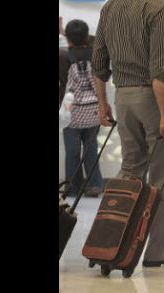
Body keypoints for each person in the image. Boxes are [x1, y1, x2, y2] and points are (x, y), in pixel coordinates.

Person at [92, 0, 164, 268]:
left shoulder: (112, 5)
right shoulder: (158, 7)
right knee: (161, 176)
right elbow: (161, 70)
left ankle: (111, 242)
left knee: (128, 171)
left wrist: (103, 103)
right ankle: (158, 252)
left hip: (122, 97)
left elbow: (99, 62)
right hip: (151, 98)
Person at [61, 19, 104, 198]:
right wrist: (67, 34)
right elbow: (94, 40)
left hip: (71, 112)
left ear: (68, 40)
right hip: (93, 109)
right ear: (86, 36)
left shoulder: (62, 56)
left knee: (72, 151)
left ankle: (73, 187)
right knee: (91, 148)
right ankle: (94, 184)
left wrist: (64, 34)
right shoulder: (95, 53)